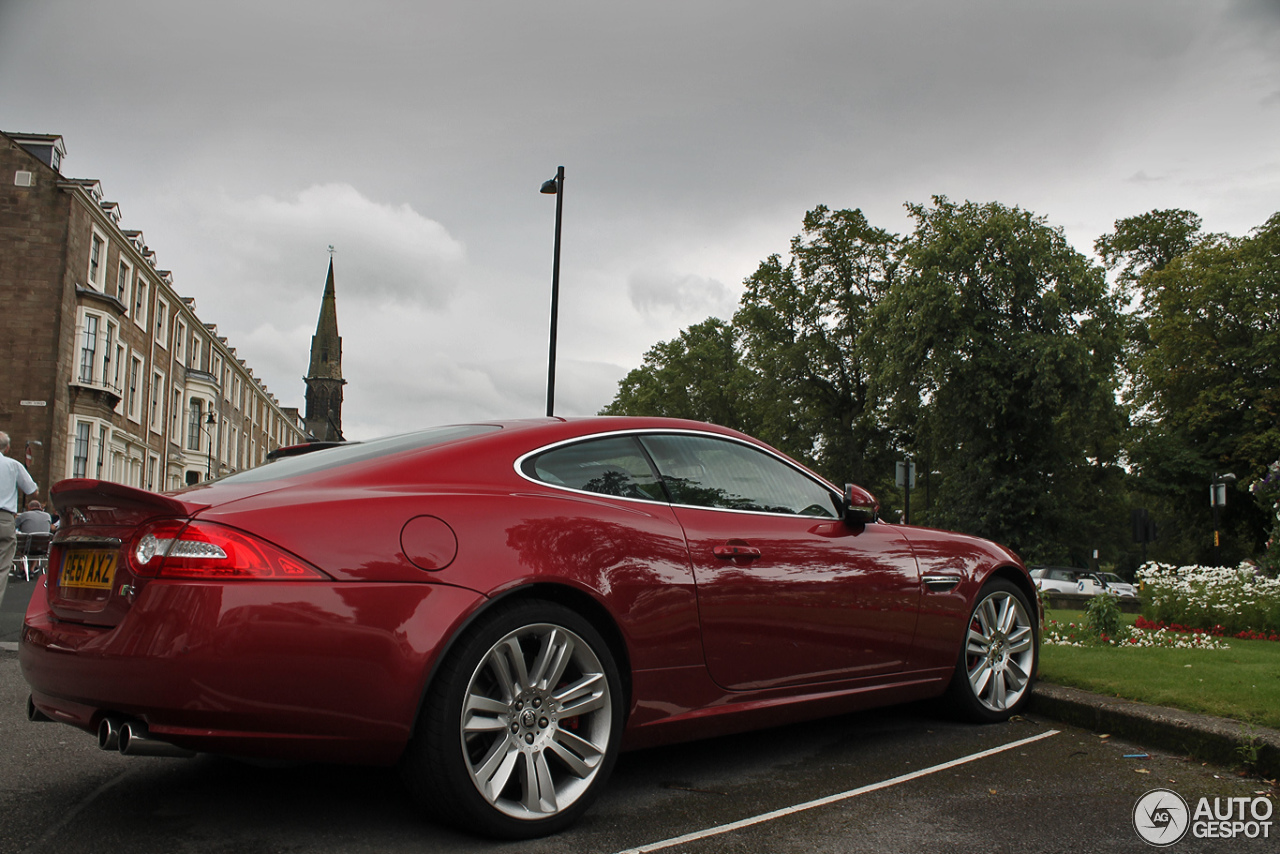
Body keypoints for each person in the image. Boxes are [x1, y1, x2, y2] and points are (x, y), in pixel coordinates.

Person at [1, 431, 39, 599]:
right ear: (7, 448)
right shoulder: (13, 465)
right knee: (2, 567)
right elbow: (32, 490)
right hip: (4, 518)